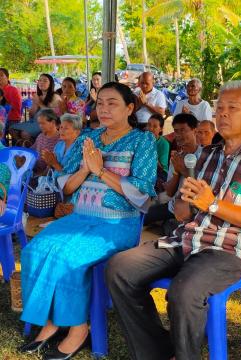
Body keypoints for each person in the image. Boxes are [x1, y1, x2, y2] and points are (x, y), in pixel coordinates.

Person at [106, 80, 241, 360]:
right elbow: (182, 212)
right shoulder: (205, 155)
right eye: (219, 108)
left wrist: (212, 204)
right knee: (119, 268)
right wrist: (184, 202)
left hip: (228, 249)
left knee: (184, 292)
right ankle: (156, 351)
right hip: (184, 238)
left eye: (232, 108)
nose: (222, 114)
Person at [19, 82, 157, 360]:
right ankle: (52, 321)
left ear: (130, 108)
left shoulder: (143, 141)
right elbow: (67, 188)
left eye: (112, 103)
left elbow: (142, 196)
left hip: (117, 224)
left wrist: (101, 171)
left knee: (69, 256)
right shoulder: (87, 139)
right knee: (34, 250)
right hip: (81, 217)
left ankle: (78, 328)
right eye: (101, 103)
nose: (104, 109)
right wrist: (84, 169)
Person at [144, 113, 201, 228]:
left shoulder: (204, 155)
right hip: (173, 206)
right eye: (176, 131)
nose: (178, 135)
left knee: (175, 230)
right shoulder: (176, 158)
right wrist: (176, 172)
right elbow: (170, 192)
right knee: (142, 217)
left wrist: (183, 170)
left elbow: (203, 187)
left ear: (195, 130)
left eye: (183, 130)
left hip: (195, 210)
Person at [10, 73, 63, 140]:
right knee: (12, 128)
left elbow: (53, 116)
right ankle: (23, 146)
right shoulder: (39, 96)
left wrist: (39, 103)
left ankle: (30, 148)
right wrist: (34, 106)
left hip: (47, 123)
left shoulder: (55, 96)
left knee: (25, 133)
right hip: (35, 122)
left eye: (45, 81)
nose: (41, 82)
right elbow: (32, 115)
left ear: (50, 84)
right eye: (40, 80)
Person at [31, 108, 60, 175]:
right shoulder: (40, 136)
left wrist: (41, 175)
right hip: (35, 170)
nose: (40, 126)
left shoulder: (60, 141)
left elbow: (54, 165)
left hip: (48, 175)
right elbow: (32, 149)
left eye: (43, 123)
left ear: (53, 122)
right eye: (39, 123)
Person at [147, 113, 170, 182]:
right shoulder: (142, 139)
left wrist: (150, 149)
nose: (150, 128)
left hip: (159, 173)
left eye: (155, 126)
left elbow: (161, 168)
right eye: (149, 125)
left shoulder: (164, 144)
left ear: (161, 129)